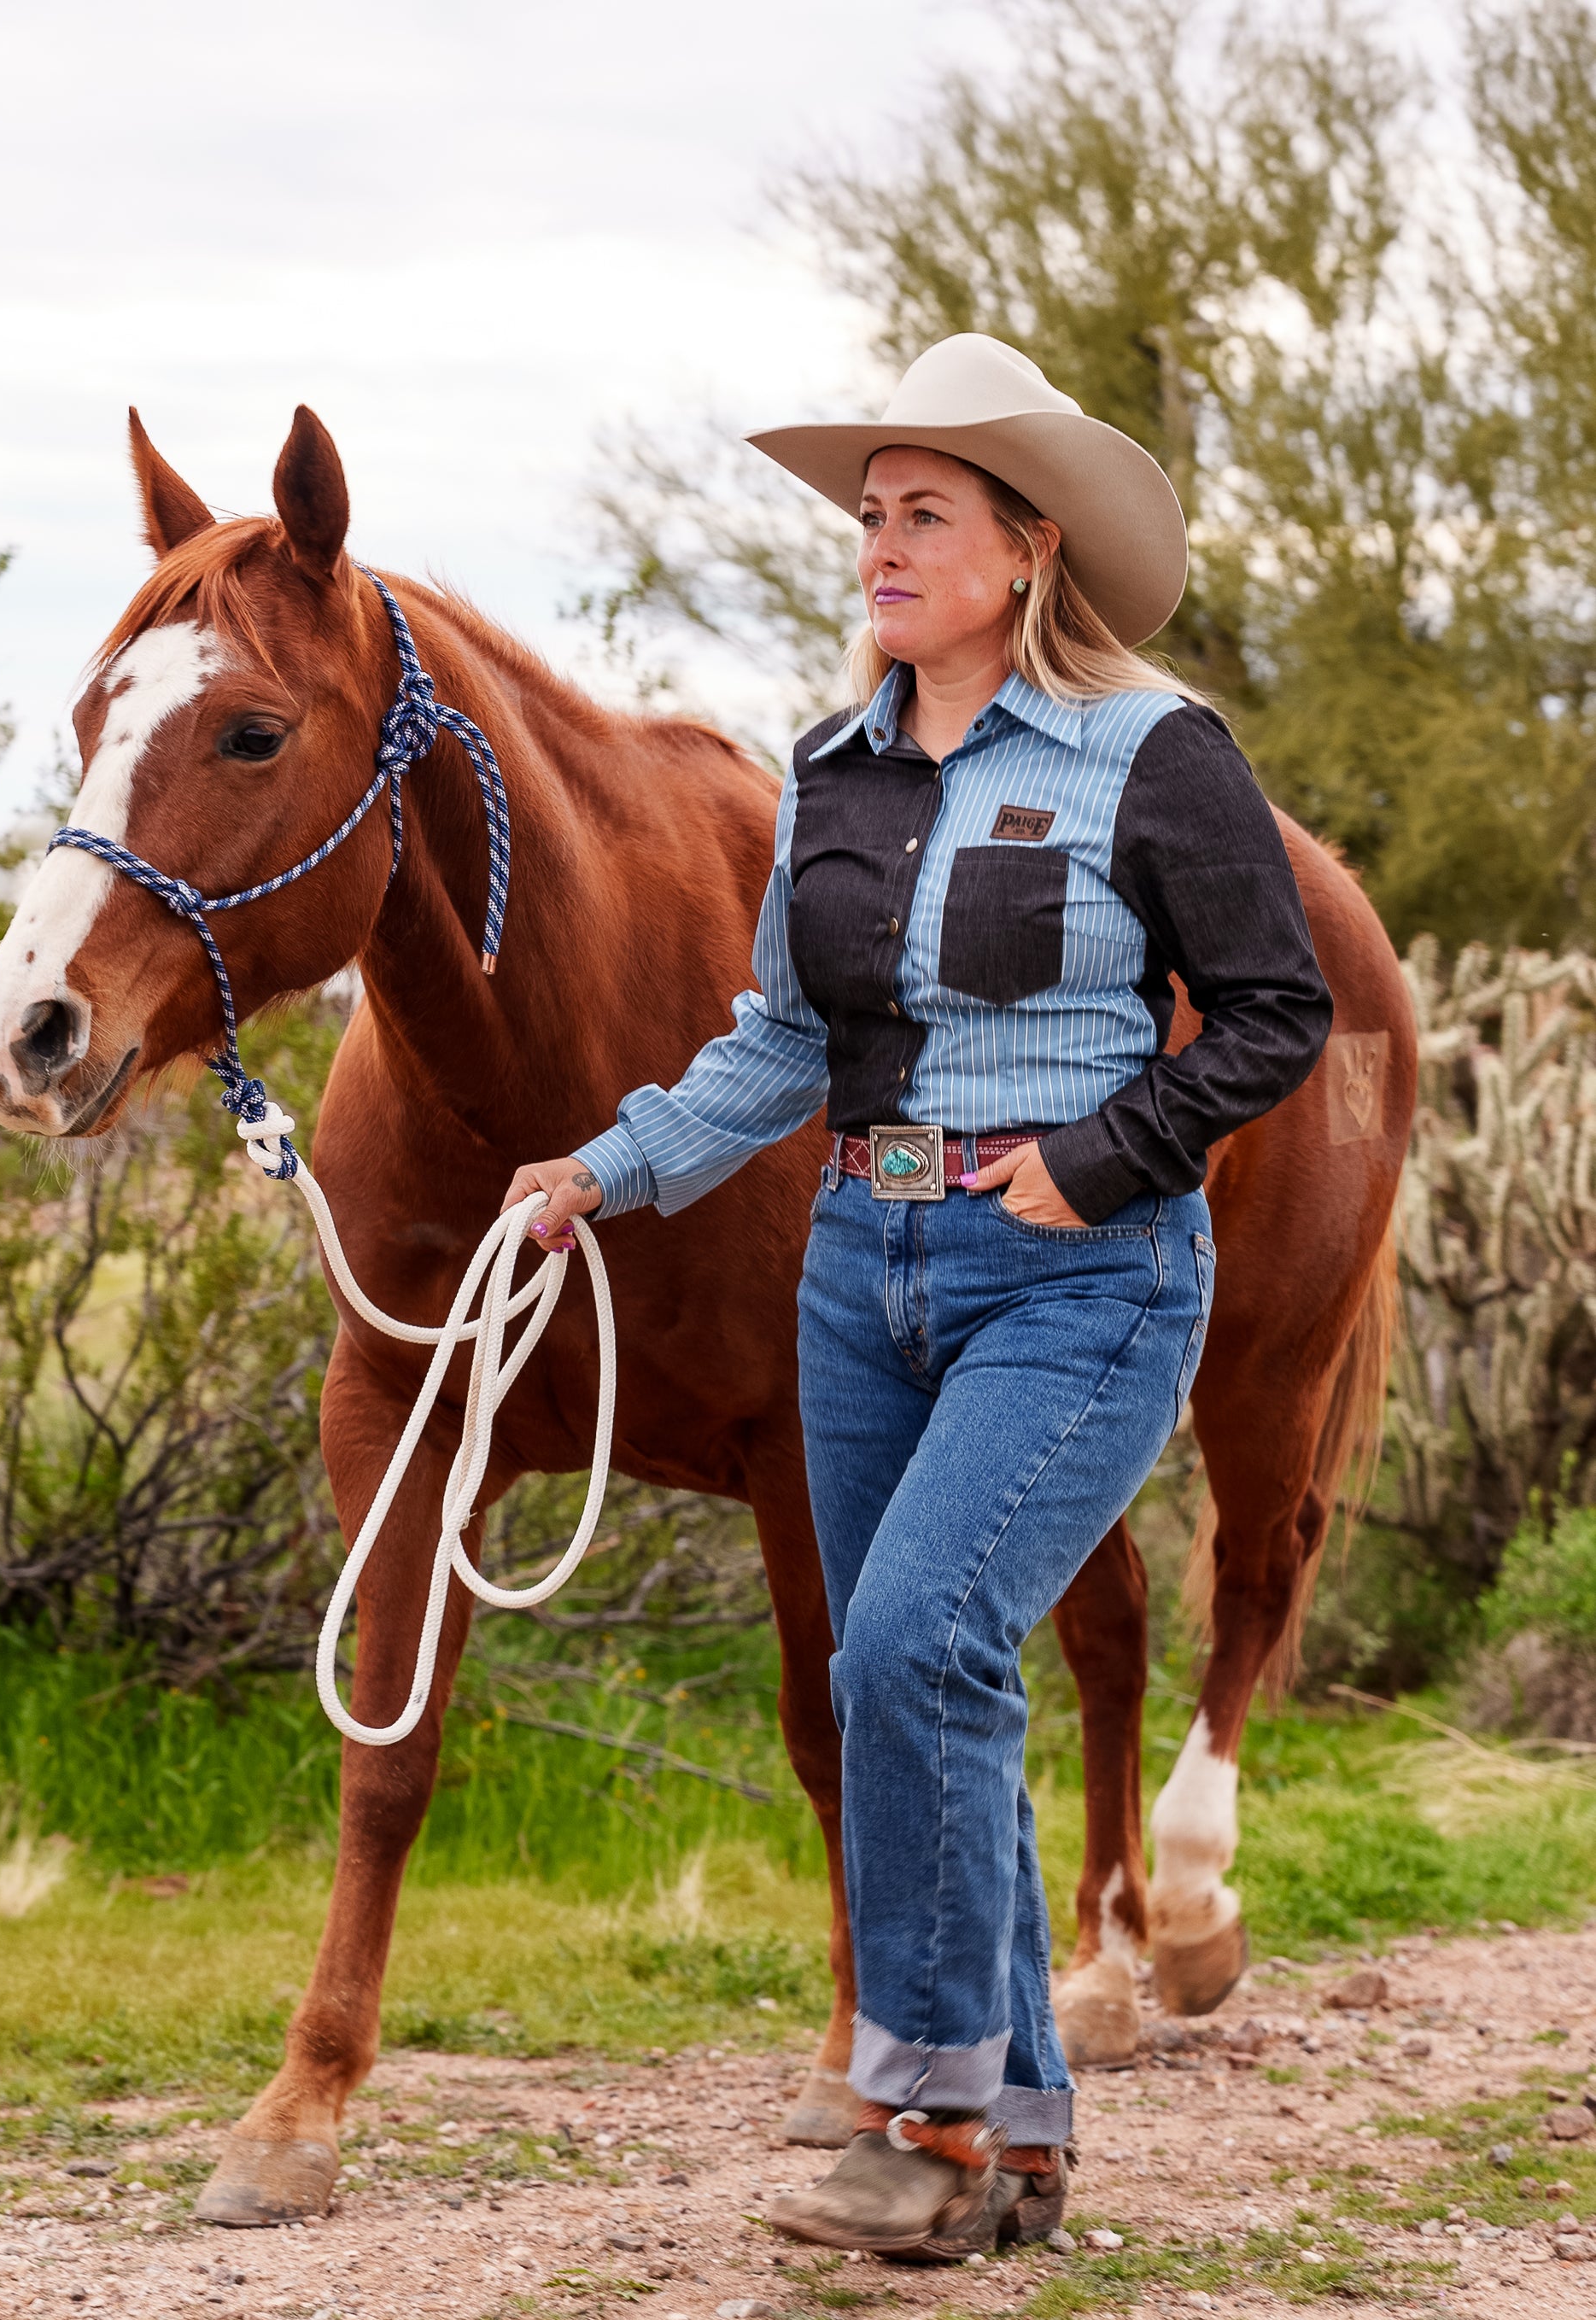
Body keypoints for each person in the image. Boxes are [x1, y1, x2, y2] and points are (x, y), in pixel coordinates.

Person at [502, 335, 1332, 2262]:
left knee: (906, 1649)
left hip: (1078, 1276)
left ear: (1026, 550)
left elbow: (1276, 1013)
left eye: (921, 514)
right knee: (914, 1683)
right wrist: (599, 1172)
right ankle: (1018, 2136)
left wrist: (1106, 1157)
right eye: (869, 514)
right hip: (853, 1274)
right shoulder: (831, 771)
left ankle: (927, 2120)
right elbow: (781, 1044)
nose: (877, 544)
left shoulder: (1154, 754)